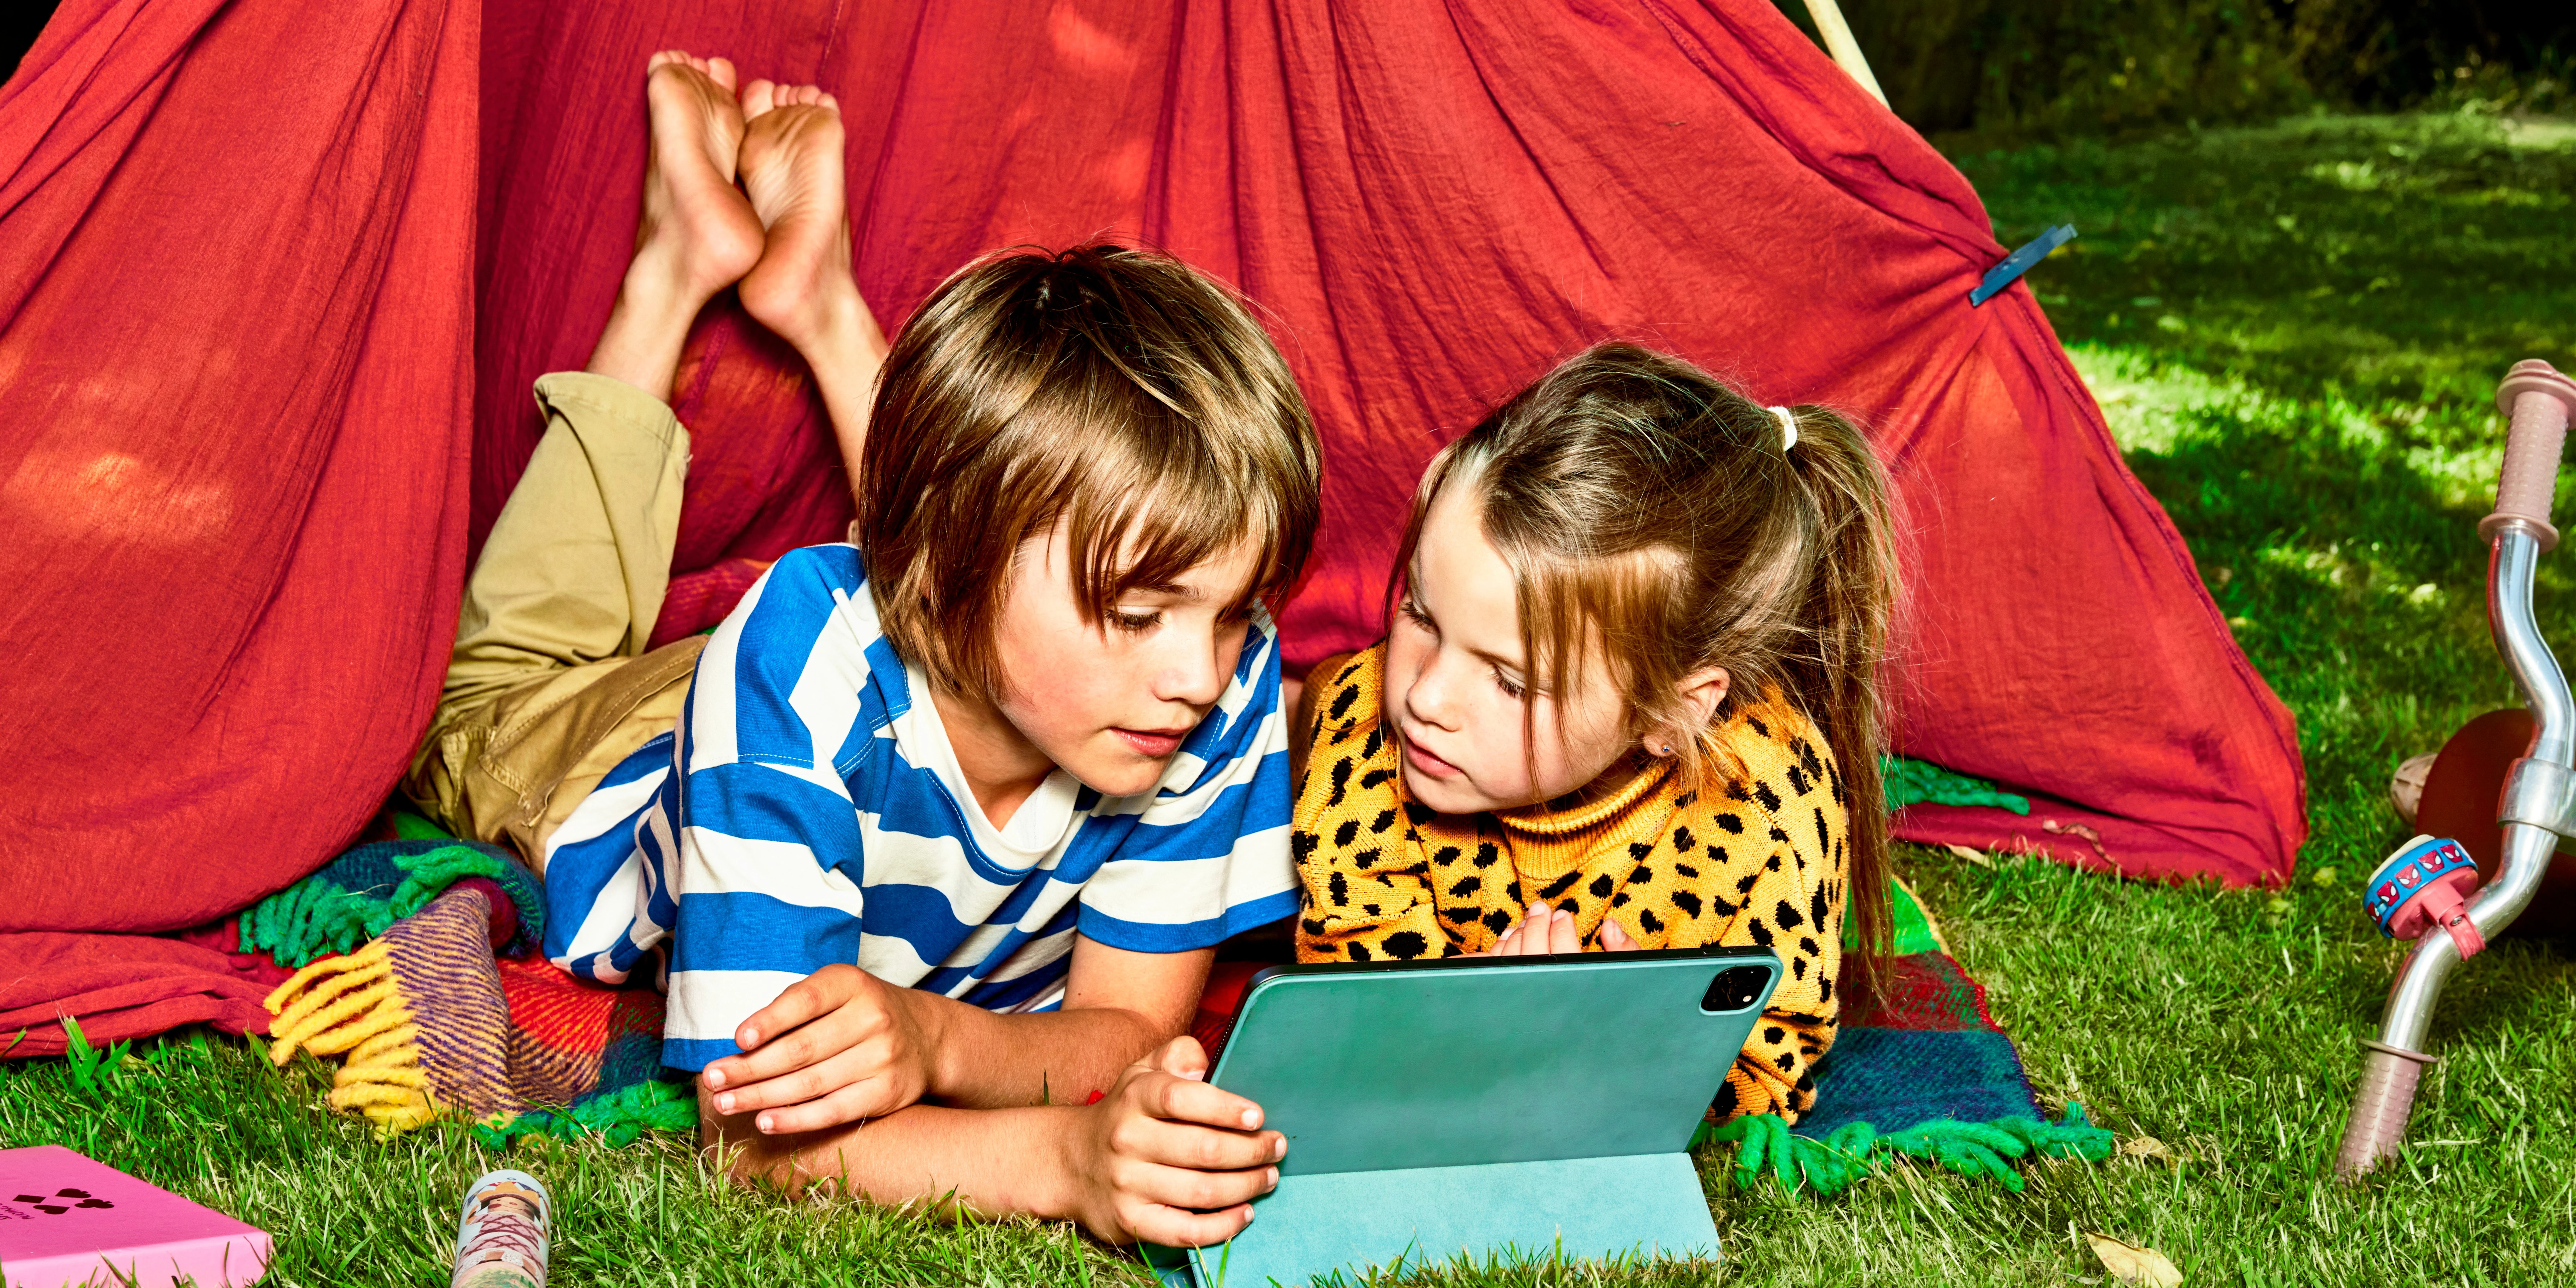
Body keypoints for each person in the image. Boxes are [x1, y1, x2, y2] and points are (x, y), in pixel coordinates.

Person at [406, 51, 1321, 1247]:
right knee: (505, 678)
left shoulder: (1199, 669)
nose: (1200, 672)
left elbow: (1128, 1028)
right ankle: (671, 270)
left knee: (999, 517)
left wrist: (937, 1035)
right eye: (1137, 610)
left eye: (1229, 612)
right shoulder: (806, 651)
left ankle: (823, 306)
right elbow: (754, 1139)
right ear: (928, 583)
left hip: (863, 707)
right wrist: (1060, 1155)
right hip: (635, 760)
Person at [1288, 342, 1897, 1125]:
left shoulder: (1774, 808)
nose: (1427, 697)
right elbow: (1351, 1025)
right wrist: (1483, 1029)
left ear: (1667, 716)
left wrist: (1623, 1049)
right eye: (1421, 614)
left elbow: (1771, 1070)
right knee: (1319, 694)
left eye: (1511, 681)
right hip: (1312, 721)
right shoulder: (1369, 724)